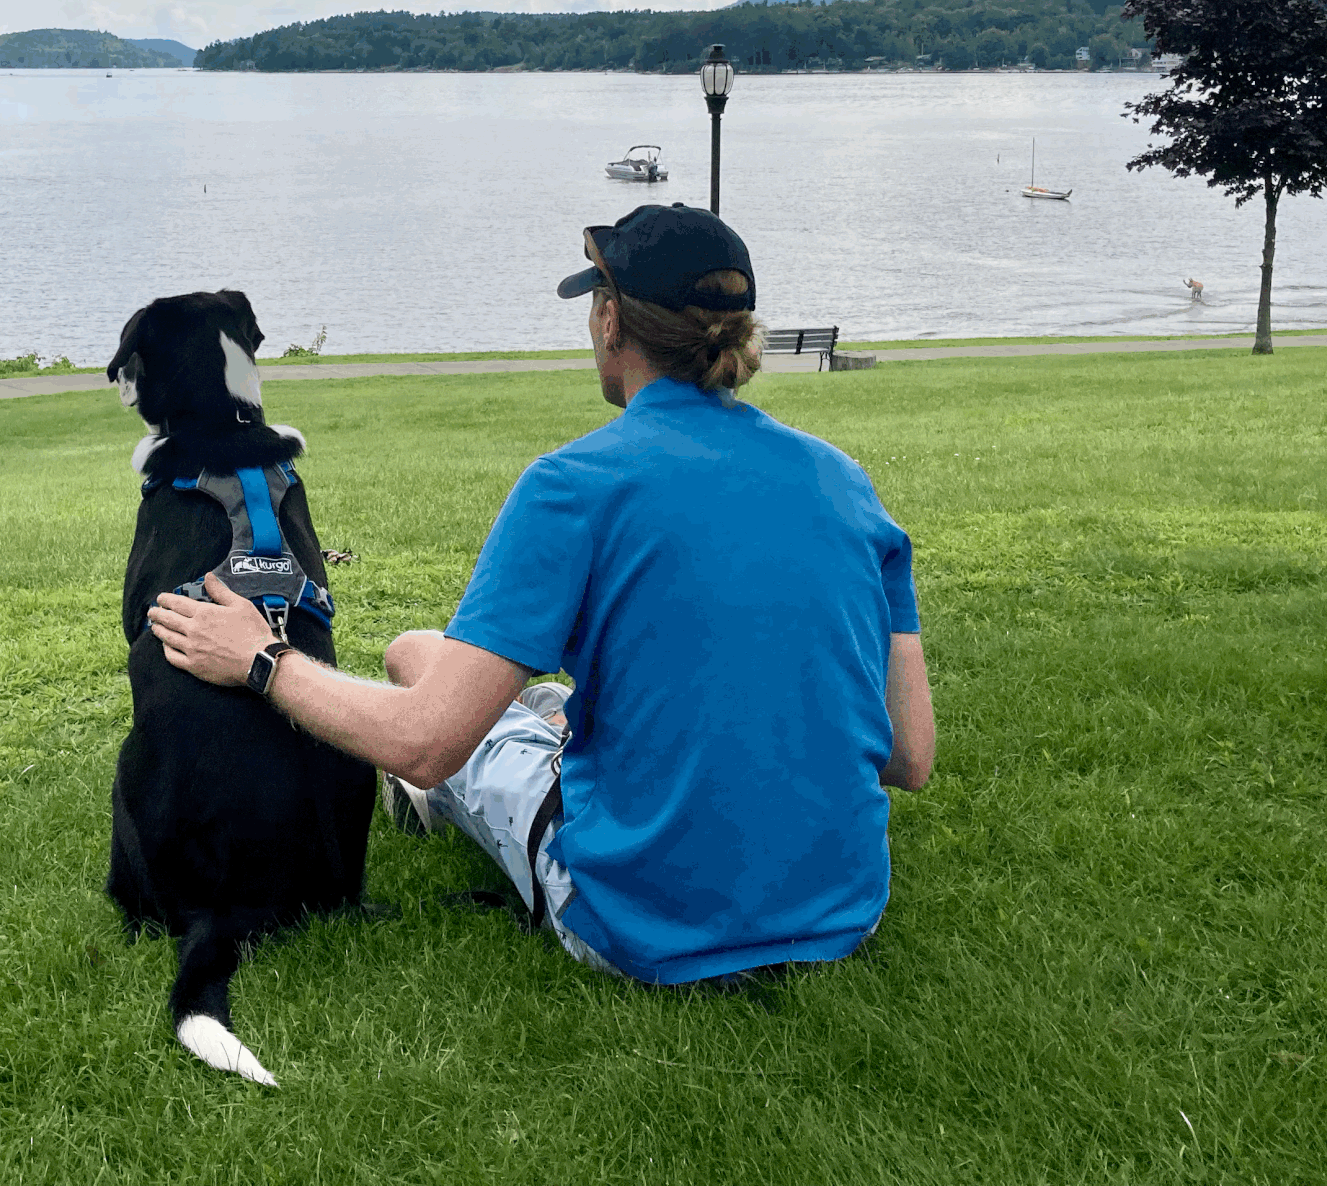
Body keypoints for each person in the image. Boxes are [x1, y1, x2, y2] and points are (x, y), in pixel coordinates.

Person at [146, 202, 935, 986]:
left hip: (632, 922)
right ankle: (559, 723)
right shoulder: (846, 482)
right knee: (526, 690)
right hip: (842, 913)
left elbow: (428, 740)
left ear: (611, 320)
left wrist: (262, 657)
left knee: (411, 656)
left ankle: (453, 791)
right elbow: (908, 754)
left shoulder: (574, 487)